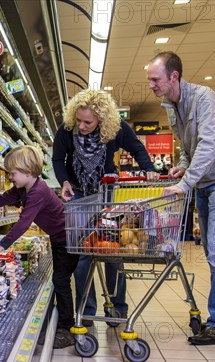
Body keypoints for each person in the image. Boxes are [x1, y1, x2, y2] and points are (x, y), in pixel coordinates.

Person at [147, 51, 215, 345]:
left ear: (174, 76)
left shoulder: (204, 98)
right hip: (204, 181)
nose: (151, 85)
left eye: (155, 79)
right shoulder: (170, 106)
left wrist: (185, 183)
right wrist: (183, 166)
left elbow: (208, 145)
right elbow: (189, 148)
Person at [52, 89, 157, 327]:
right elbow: (58, 159)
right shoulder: (67, 130)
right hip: (78, 193)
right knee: (83, 252)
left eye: (87, 122)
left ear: (101, 119)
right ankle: (86, 311)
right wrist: (64, 182)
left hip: (105, 192)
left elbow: (137, 148)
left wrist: (149, 168)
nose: (81, 126)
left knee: (111, 251)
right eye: (78, 120)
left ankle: (117, 309)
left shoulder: (116, 129)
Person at [0, 146, 79, 348]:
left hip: (67, 240)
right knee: (60, 280)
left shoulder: (38, 192)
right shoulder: (24, 189)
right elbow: (0, 200)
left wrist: (1, 246)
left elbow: (23, 223)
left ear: (28, 172)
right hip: (59, 239)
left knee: (61, 281)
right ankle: (63, 322)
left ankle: (66, 329)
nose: (11, 177)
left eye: (13, 173)